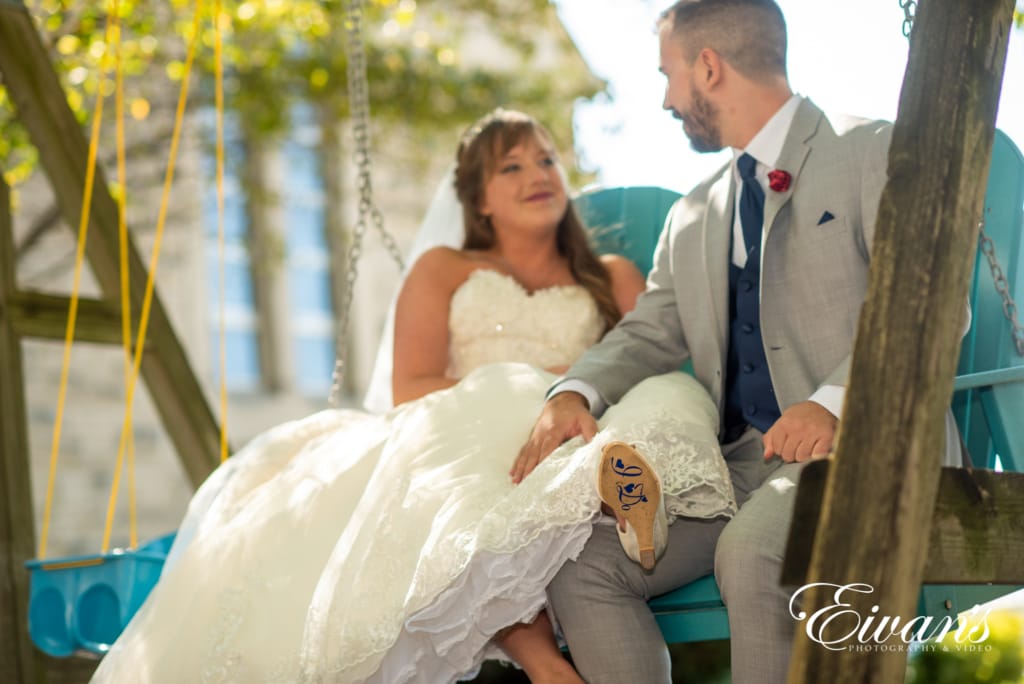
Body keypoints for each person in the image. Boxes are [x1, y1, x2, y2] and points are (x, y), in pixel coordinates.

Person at [90, 109, 735, 684]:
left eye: (546, 159)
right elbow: (412, 385)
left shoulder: (612, 276)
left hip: (583, 425)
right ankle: (544, 658)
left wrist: (572, 386)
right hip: (478, 431)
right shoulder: (444, 270)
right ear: (479, 199)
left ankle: (630, 493)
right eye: (511, 166)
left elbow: (647, 354)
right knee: (487, 461)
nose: (537, 174)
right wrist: (528, 383)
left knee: (663, 389)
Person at [515, 2, 964, 683]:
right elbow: (649, 329)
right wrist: (572, 391)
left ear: (708, 66)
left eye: (668, 75)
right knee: (581, 568)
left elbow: (931, 307)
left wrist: (835, 401)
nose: (666, 99)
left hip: (870, 455)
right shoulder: (692, 215)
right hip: (734, 474)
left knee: (755, 551)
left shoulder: (874, 150)